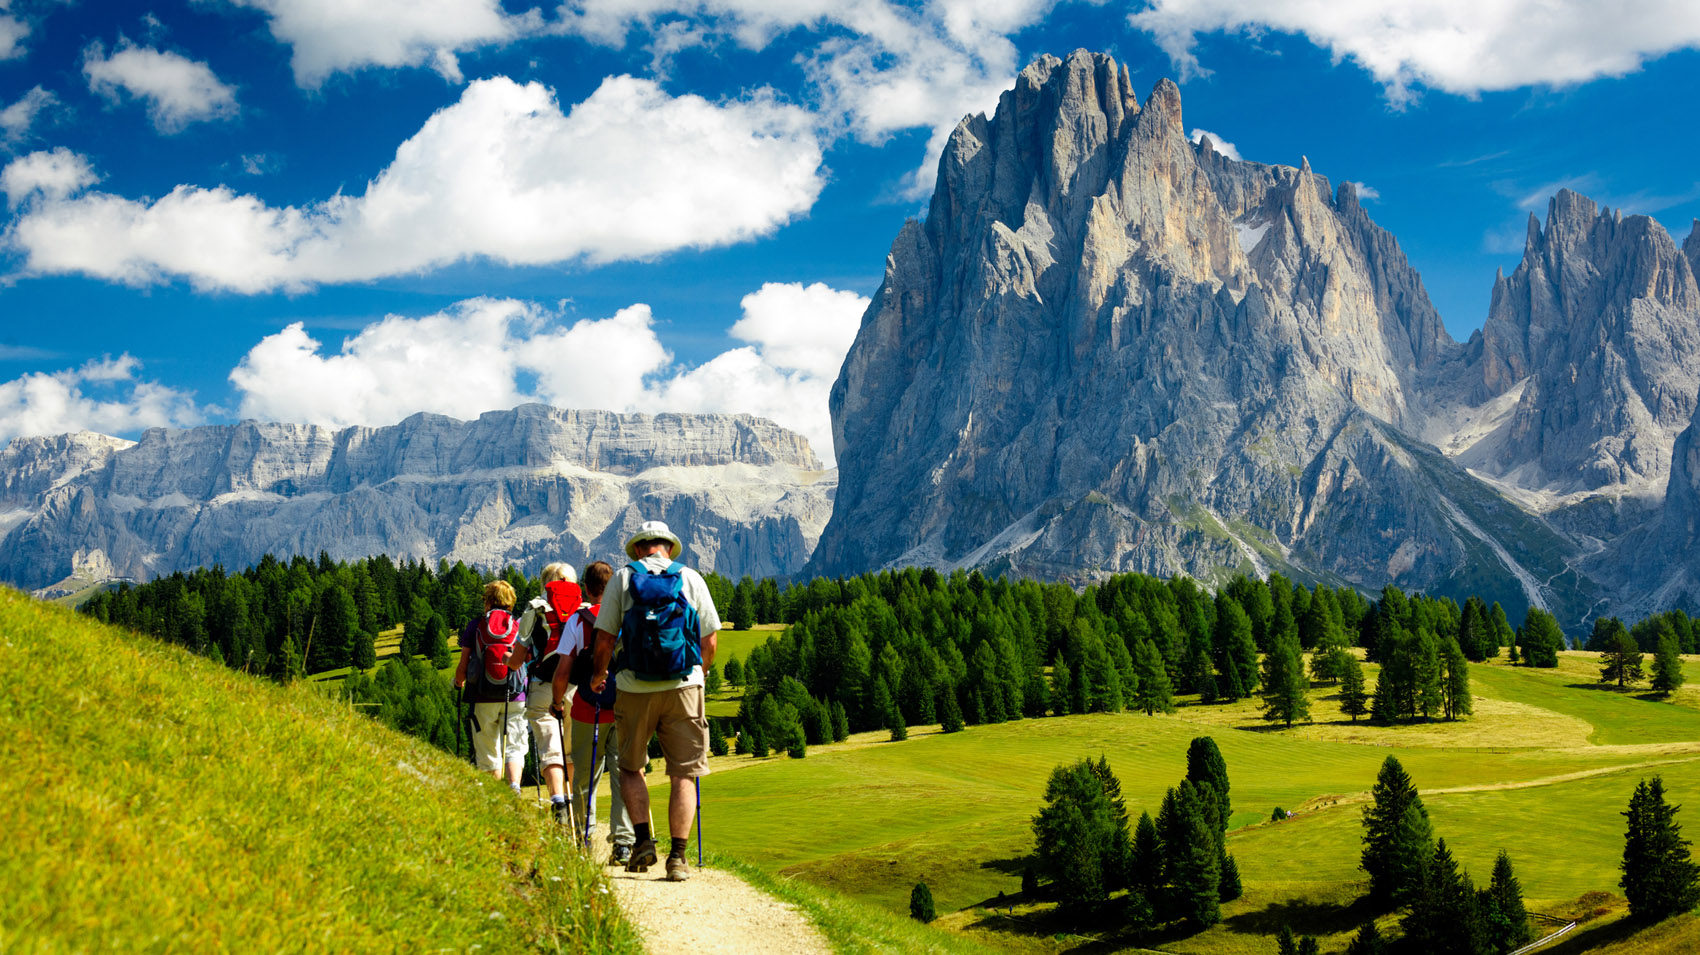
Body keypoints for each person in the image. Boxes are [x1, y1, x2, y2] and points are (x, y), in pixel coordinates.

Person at [589, 520, 719, 882]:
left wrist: (600, 675)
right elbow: (709, 641)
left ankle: (644, 841)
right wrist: (700, 675)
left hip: (634, 687)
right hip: (685, 686)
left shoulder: (623, 579)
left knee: (631, 767)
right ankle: (677, 858)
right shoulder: (690, 577)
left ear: (637, 550)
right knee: (684, 771)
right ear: (668, 548)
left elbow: (604, 637)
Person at [553, 561, 634, 862]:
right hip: (626, 707)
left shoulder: (577, 620)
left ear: (585, 589)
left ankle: (584, 840)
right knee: (625, 773)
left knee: (585, 777)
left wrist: (557, 702)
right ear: (612, 588)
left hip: (589, 708)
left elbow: (563, 670)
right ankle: (623, 843)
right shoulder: (627, 618)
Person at [505, 563, 579, 824]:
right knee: (571, 749)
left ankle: (557, 802)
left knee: (550, 746)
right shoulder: (582, 608)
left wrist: (510, 664)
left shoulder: (535, 607)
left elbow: (518, 654)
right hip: (576, 685)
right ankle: (573, 802)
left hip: (543, 684)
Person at [454, 580, 529, 790]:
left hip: (482, 694)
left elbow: (464, 662)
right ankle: (514, 787)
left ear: (487, 601)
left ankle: (494, 795)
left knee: (488, 750)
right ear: (510, 601)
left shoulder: (476, 625)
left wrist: (459, 681)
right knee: (515, 746)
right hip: (514, 694)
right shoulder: (518, 624)